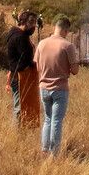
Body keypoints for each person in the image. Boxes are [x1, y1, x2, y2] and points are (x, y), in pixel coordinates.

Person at [33, 17, 80, 157]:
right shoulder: (67, 46)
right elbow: (75, 71)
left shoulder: (41, 44)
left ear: (55, 27)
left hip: (43, 88)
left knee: (48, 119)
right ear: (66, 30)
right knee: (57, 120)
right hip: (60, 88)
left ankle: (44, 149)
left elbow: (36, 66)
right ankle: (55, 153)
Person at [5, 10, 37, 124]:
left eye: (35, 23)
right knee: (19, 107)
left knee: (21, 106)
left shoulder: (15, 34)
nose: (34, 26)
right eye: (31, 22)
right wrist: (33, 64)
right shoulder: (20, 37)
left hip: (17, 75)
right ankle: (16, 134)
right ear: (23, 22)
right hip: (20, 76)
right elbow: (24, 61)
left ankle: (21, 132)